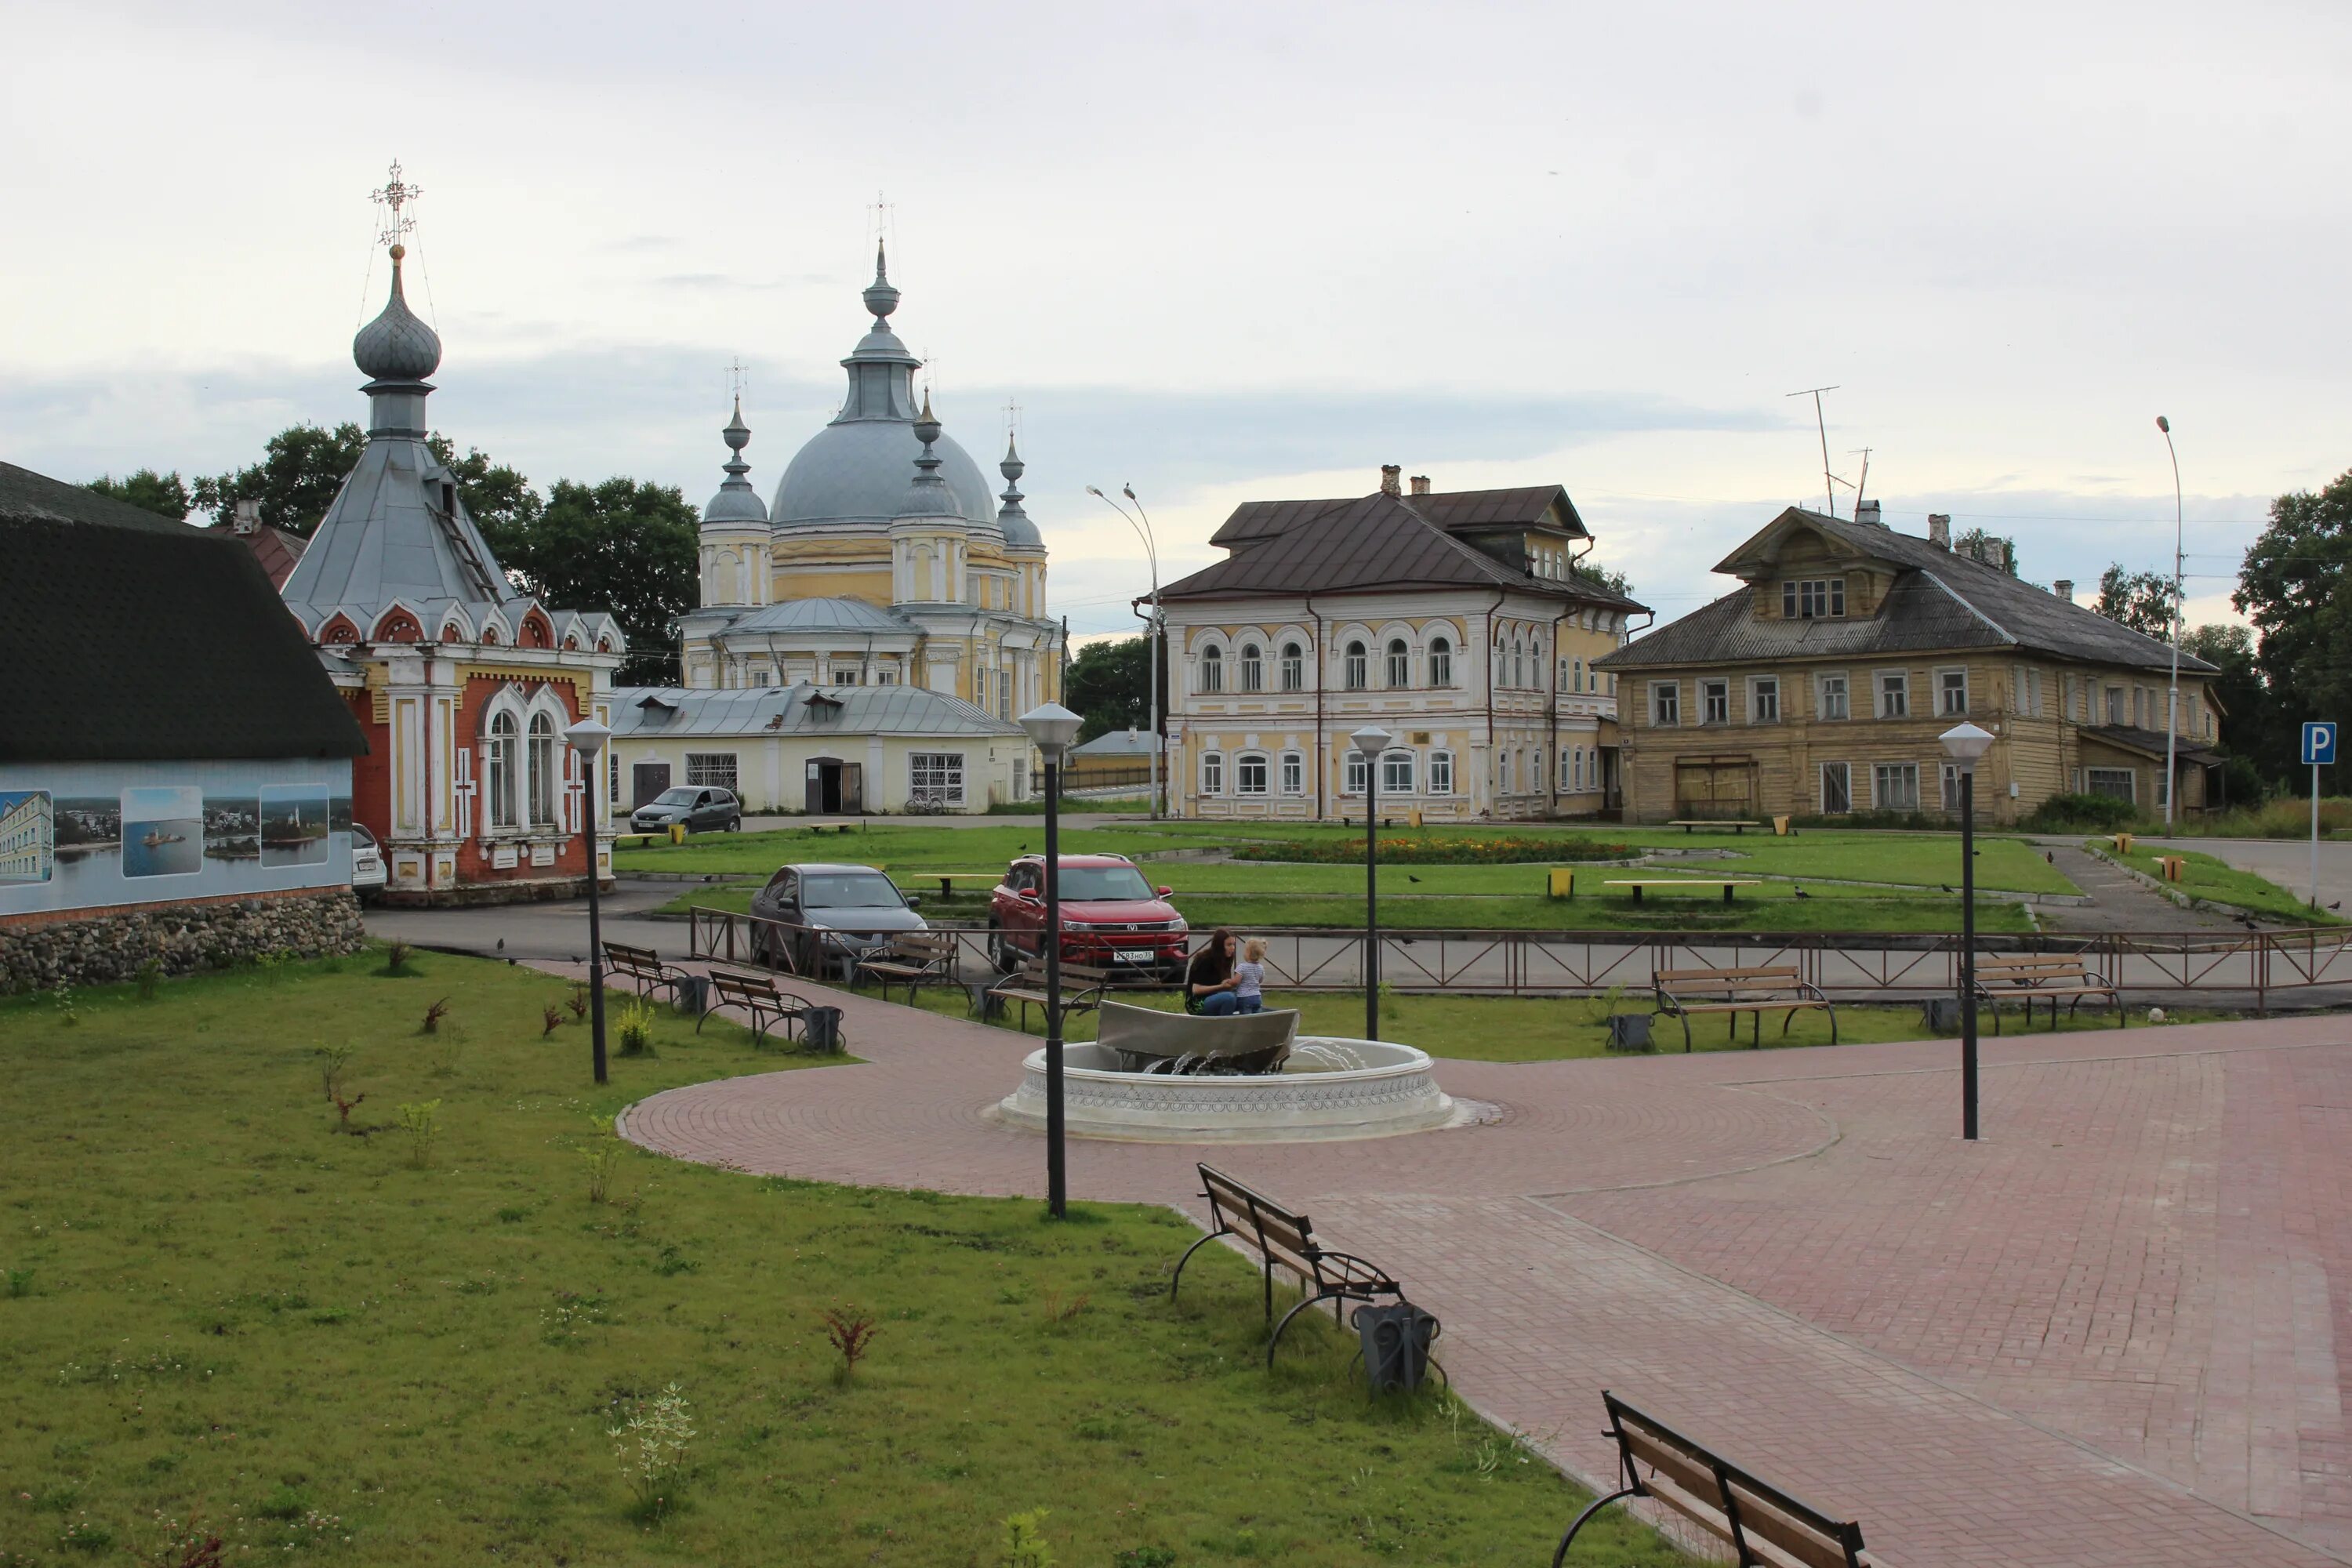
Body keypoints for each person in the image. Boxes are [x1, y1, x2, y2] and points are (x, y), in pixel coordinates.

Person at [1185, 928, 1242, 1015]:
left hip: (1216, 996)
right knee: (1229, 998)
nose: (1233, 948)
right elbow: (1196, 990)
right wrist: (1221, 986)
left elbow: (1223, 984)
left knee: (1246, 997)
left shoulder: (1226, 958)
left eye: (1233, 944)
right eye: (1229, 945)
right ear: (1219, 945)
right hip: (1197, 1003)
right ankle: (1222, 1026)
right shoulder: (1204, 960)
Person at [1232, 937, 1267, 1014]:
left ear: (1248, 953)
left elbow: (1236, 982)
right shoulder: (1261, 968)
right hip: (1257, 997)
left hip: (1244, 997)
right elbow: (1260, 980)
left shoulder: (1242, 967)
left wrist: (1229, 982)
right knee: (1256, 1019)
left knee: (1246, 1019)